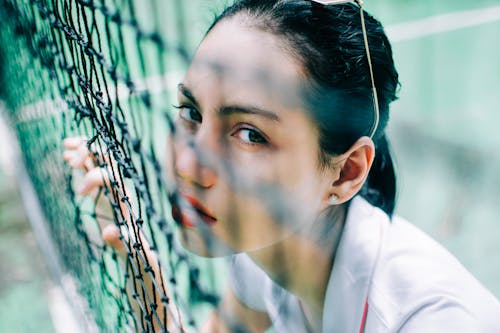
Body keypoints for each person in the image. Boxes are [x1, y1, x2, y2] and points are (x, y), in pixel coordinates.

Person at [63, 0, 500, 331]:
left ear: (346, 173)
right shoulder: (266, 250)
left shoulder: (431, 320)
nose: (189, 166)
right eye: (191, 112)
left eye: (251, 135)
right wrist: (145, 282)